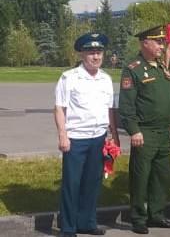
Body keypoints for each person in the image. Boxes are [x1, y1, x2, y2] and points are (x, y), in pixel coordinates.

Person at [54, 33, 119, 237]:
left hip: (98, 137)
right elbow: (59, 108)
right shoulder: (69, 77)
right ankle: (68, 227)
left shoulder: (106, 79)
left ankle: (87, 222)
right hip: (76, 138)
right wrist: (63, 135)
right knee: (72, 184)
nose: (96, 56)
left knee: (93, 182)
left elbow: (110, 111)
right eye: (91, 52)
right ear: (82, 54)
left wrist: (114, 136)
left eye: (99, 52)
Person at [119, 26, 170, 235]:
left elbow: (169, 98)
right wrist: (133, 130)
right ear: (145, 43)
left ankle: (157, 214)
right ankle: (138, 217)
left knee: (161, 175)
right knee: (141, 177)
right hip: (145, 132)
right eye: (157, 42)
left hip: (164, 132)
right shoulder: (133, 68)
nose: (162, 45)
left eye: (163, 42)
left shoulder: (162, 68)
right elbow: (127, 105)